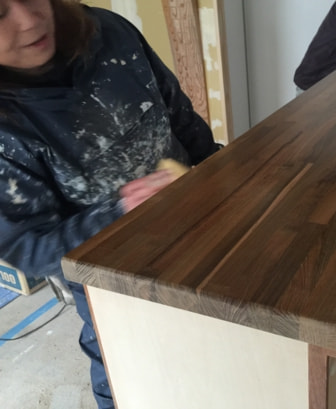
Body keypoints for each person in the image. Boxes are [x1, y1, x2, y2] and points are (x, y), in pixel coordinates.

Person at [0, 0, 221, 408]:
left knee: (211, 355)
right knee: (126, 373)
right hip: (111, 282)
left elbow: (178, 115)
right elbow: (28, 248)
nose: (29, 20)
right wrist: (118, 213)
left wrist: (215, 173)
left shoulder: (109, 32)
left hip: (194, 221)